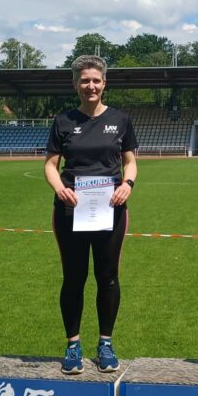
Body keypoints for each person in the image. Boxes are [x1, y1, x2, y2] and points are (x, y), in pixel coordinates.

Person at [44, 55, 138, 375]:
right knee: (74, 278)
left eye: (96, 80)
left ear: (104, 83)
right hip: (71, 210)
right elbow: (50, 166)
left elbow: (131, 161)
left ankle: (106, 344)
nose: (91, 85)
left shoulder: (121, 120)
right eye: (84, 80)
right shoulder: (63, 121)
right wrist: (59, 189)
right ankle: (73, 345)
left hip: (111, 210)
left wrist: (128, 183)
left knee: (108, 277)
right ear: (75, 85)